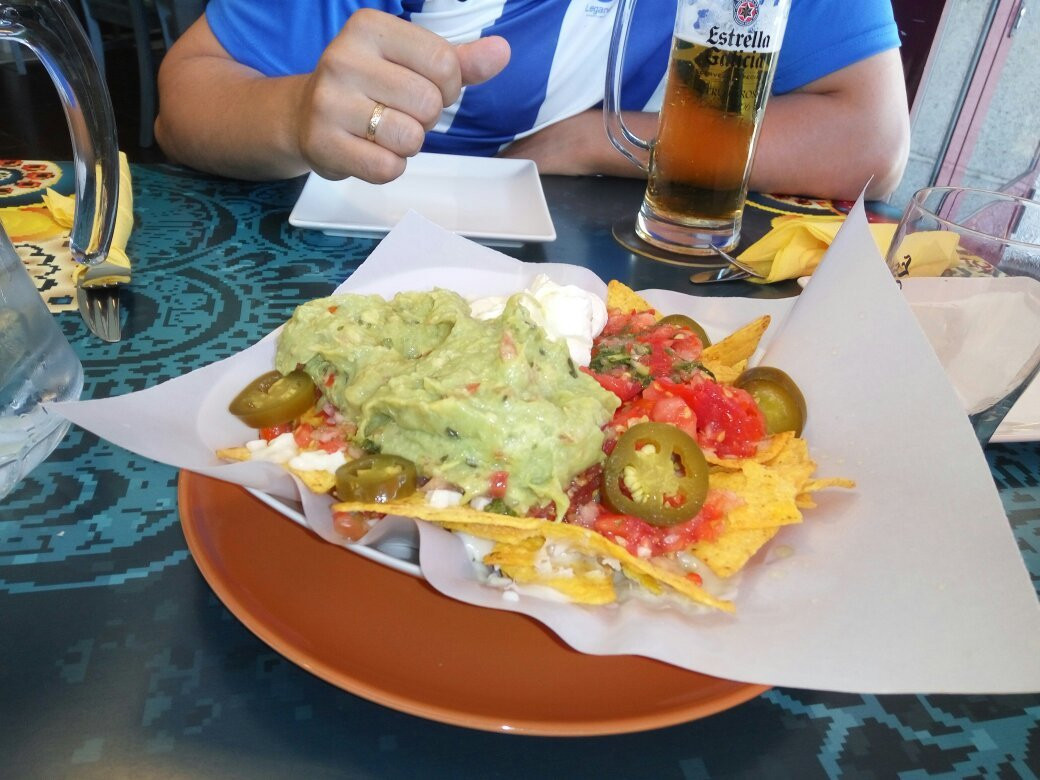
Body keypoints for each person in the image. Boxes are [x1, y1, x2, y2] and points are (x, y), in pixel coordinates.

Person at [155, 1, 910, 200]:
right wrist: (297, 117)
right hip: (361, 241)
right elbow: (187, 101)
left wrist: (597, 139)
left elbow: (871, 145)